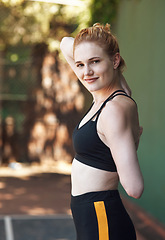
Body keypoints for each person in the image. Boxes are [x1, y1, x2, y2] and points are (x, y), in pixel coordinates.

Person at [60, 23, 144, 240]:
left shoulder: (113, 109)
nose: (86, 72)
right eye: (80, 64)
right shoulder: (100, 95)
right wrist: (120, 78)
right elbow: (64, 43)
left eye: (95, 62)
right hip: (91, 217)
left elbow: (134, 187)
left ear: (115, 60)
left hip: (102, 217)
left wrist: (126, 144)